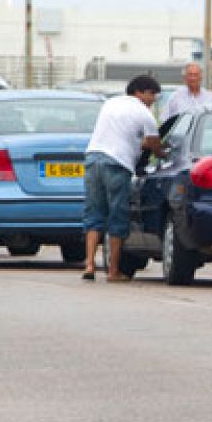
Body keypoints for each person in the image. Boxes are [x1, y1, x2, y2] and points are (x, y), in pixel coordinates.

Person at [81, 75, 164, 281]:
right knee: (117, 216)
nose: (153, 99)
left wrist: (140, 144)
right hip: (117, 164)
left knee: (94, 213)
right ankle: (113, 271)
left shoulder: (110, 103)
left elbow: (120, 134)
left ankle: (89, 265)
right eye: (152, 94)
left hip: (93, 159)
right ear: (139, 92)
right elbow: (154, 144)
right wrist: (164, 154)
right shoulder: (144, 114)